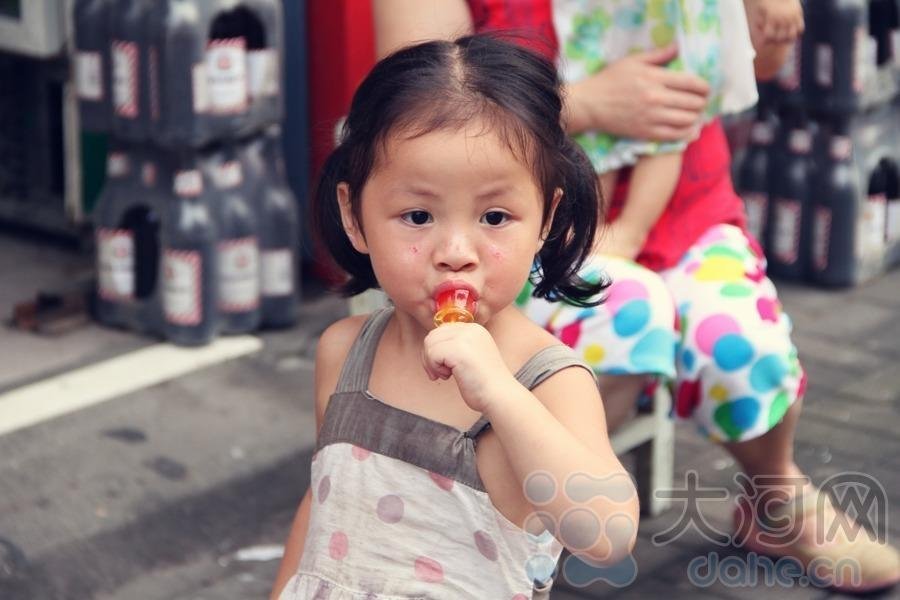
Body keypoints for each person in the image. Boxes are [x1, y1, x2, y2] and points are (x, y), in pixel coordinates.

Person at [373, 0, 900, 593]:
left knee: (741, 345)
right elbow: (408, 91)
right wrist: (589, 103)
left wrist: (767, 17)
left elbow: (759, 62)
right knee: (620, 322)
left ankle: (776, 493)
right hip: (516, 228)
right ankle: (512, 515)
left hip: (682, 207)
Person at [270, 34, 639, 599]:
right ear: (354, 215)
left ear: (546, 217)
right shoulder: (344, 353)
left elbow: (607, 535)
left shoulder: (545, 382)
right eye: (418, 215)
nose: (456, 250)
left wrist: (497, 391)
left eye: (495, 216)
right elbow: (322, 503)